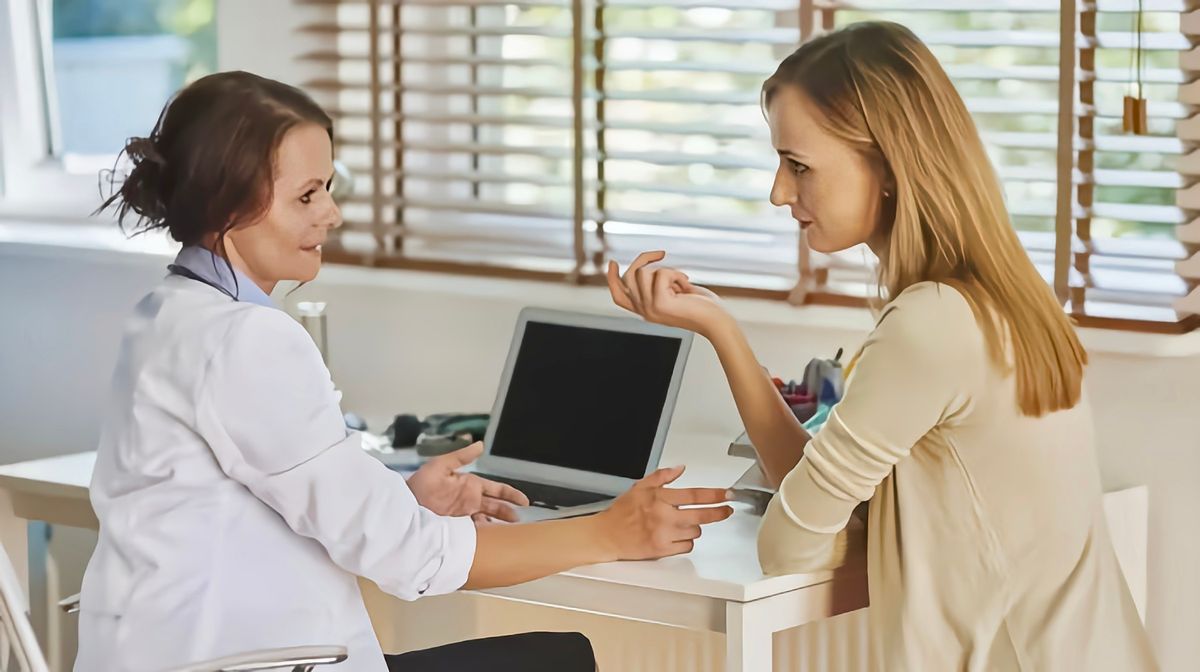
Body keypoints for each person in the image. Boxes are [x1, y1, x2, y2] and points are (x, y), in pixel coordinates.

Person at [76, 70, 733, 672]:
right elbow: (411, 559)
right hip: (242, 663)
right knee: (559, 662)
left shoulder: (167, 313)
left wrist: (402, 503)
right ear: (227, 207)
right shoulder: (247, 338)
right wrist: (606, 532)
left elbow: (264, 500)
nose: (330, 213)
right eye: (306, 195)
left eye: (329, 189)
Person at [607, 21, 1157, 672]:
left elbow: (790, 545)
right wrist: (721, 329)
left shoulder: (934, 323)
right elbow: (819, 500)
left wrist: (827, 515)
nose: (780, 192)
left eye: (799, 165)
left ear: (889, 164)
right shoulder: (998, 301)